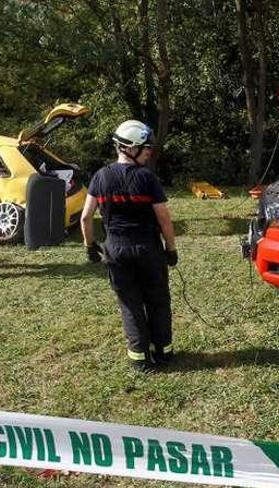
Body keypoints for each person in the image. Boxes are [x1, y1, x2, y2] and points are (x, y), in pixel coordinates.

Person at [80, 120, 177, 373]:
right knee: (158, 300)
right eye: (146, 148)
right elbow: (163, 217)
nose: (149, 152)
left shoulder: (100, 177)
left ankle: (139, 360)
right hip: (148, 250)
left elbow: (86, 216)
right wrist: (171, 248)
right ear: (130, 148)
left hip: (116, 251)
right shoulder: (147, 178)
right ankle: (163, 354)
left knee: (130, 304)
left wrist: (89, 245)